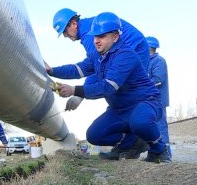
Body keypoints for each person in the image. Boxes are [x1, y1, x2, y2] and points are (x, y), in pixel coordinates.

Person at [47, 12, 171, 163]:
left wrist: (76, 91)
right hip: (121, 108)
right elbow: (78, 69)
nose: (97, 41)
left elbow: (108, 87)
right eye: (95, 37)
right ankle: (128, 144)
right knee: (94, 135)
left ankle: (159, 149)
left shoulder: (126, 55)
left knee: (140, 122)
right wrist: (52, 71)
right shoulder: (99, 55)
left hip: (143, 102)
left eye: (102, 36)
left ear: (115, 37)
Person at [146, 36, 171, 158]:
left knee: (160, 127)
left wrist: (140, 86)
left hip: (158, 101)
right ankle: (153, 154)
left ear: (148, 48)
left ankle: (165, 155)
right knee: (151, 128)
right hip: (149, 101)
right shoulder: (146, 62)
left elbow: (158, 80)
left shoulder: (158, 61)